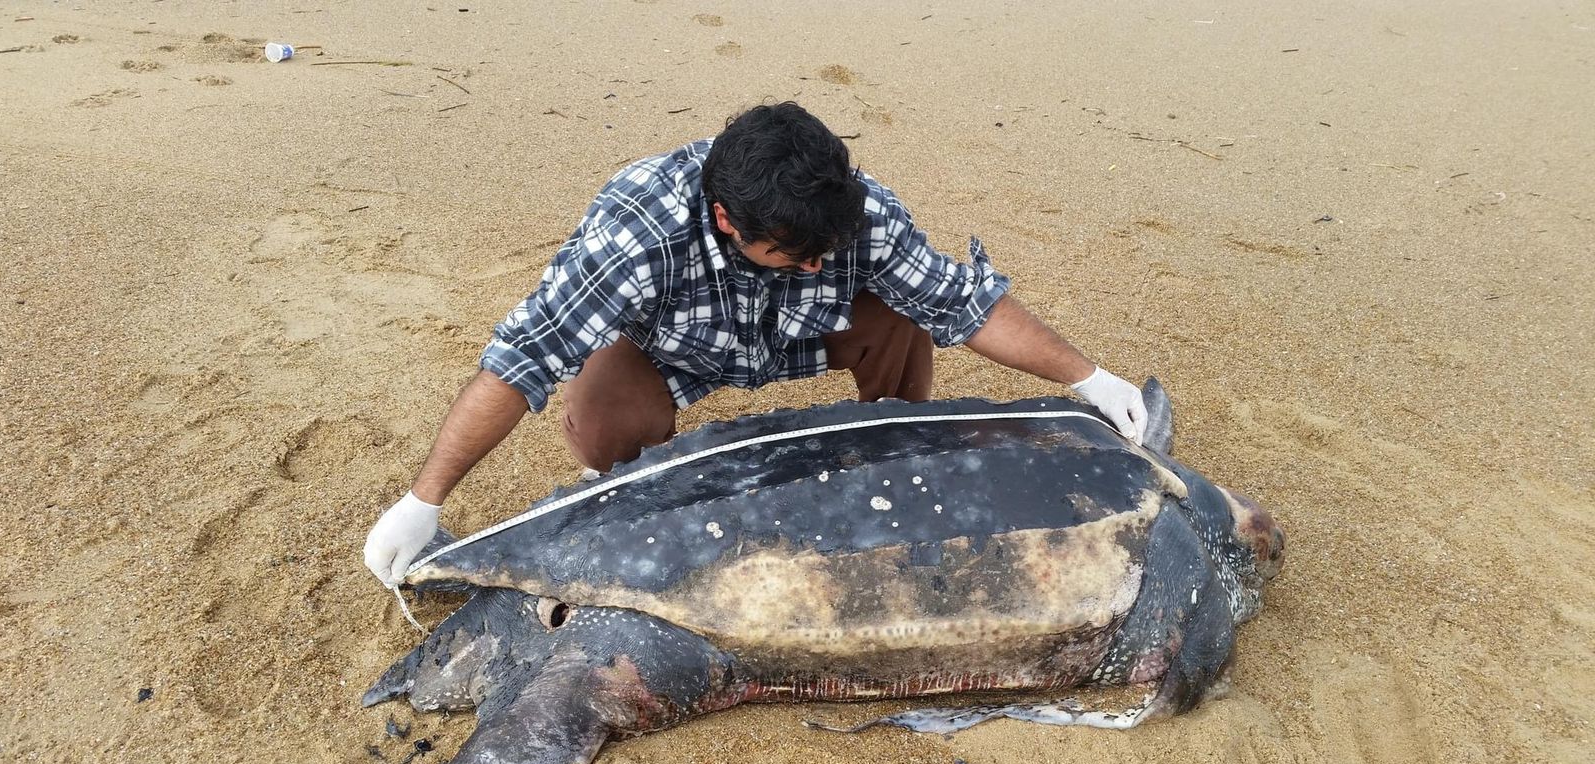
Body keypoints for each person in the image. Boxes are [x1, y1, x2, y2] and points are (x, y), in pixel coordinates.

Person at [363, 101, 1147, 586]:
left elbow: (963, 303)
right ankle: (650, 521)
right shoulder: (639, 236)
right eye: (794, 254)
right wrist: (423, 501)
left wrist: (1093, 380)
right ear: (727, 220)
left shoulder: (855, 212)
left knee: (906, 309)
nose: (814, 263)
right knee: (599, 414)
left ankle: (899, 459)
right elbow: (522, 359)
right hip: (675, 351)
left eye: (824, 251)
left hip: (810, 336)